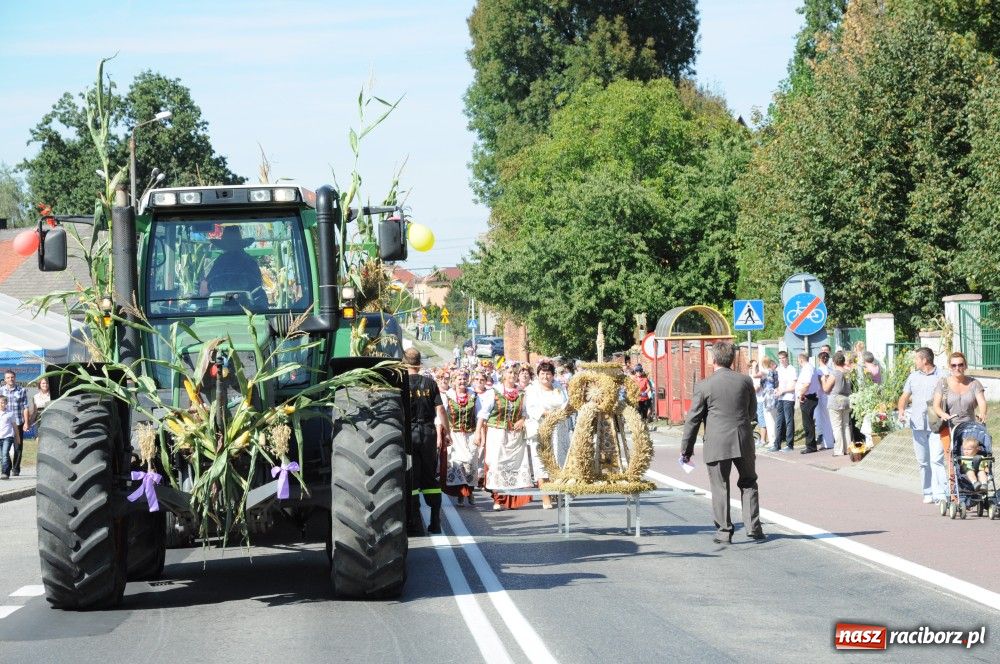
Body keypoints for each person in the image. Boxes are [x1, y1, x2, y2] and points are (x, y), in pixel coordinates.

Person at [680, 341, 765, 544]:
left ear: (713, 359)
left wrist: (686, 450)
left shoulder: (704, 385)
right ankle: (753, 527)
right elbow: (752, 412)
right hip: (743, 440)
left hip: (717, 443)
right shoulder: (745, 381)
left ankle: (724, 532)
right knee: (749, 482)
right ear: (732, 359)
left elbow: (693, 419)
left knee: (720, 486)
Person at [404, 348, 450, 534]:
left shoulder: (401, 384)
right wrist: (446, 432)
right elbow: (440, 411)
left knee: (412, 476)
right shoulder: (430, 383)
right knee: (430, 475)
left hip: (409, 433)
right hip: (429, 433)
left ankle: (414, 523)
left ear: (404, 363)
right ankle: (435, 521)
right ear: (419, 363)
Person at [896, 347, 947, 504]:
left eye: (917, 358)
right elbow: (905, 396)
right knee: (923, 461)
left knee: (937, 459)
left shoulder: (942, 376)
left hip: (936, 424)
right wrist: (901, 410)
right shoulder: (913, 377)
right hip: (917, 423)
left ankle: (941, 494)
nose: (915, 361)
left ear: (925, 360)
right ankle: (927, 492)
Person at [478, 366, 533, 511]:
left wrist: (522, 419)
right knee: (497, 464)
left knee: (514, 465)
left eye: (515, 373)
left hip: (515, 435)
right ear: (503, 375)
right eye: (510, 372)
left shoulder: (522, 393)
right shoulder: (494, 392)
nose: (513, 375)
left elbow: (526, 412)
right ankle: (498, 499)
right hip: (497, 433)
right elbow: (483, 414)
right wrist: (478, 433)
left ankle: (511, 499)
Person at [931, 351, 988, 482]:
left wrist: (982, 412)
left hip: (969, 427)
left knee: (973, 457)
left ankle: (976, 484)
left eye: (960, 365)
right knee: (952, 460)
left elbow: (982, 402)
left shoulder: (974, 383)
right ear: (949, 367)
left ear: (965, 365)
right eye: (954, 365)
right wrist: (942, 414)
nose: (957, 368)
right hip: (950, 427)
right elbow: (936, 405)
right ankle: (955, 494)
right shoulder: (943, 383)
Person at [524, 361, 569, 509]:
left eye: (548, 373)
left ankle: (556, 491)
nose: (545, 376)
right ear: (538, 375)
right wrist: (548, 413)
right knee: (541, 461)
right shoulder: (532, 389)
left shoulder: (558, 387)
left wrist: (562, 412)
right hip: (541, 427)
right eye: (542, 373)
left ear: (552, 375)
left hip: (559, 429)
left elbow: (565, 403)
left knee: (557, 459)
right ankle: (545, 497)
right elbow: (532, 408)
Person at [201, 225, 266, 306]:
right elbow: (258, 284)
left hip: (221, 308)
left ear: (224, 246)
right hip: (249, 308)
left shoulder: (220, 261)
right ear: (241, 246)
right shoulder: (250, 261)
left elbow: (205, 288)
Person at [442, 370, 481, 506]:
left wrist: (479, 433)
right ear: (453, 381)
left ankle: (470, 492)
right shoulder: (448, 396)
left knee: (470, 464)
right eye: (459, 379)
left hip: (470, 434)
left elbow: (479, 415)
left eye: (464, 379)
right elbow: (441, 417)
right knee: (458, 464)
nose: (462, 382)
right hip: (455, 435)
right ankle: (460, 494)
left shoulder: (474, 396)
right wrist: (445, 433)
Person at [822, 351, 853, 456]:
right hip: (846, 400)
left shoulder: (835, 373)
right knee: (846, 425)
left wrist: (823, 380)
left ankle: (839, 450)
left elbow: (826, 389)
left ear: (834, 362)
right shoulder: (848, 372)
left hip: (835, 400)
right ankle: (848, 448)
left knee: (837, 426)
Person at [0, 370, 29, 477]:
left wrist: (26, 422)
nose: (10, 379)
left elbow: (25, 407)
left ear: (15, 378)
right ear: (5, 379)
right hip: (5, 424)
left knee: (18, 447)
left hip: (18, 423)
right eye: (8, 377)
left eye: (12, 377)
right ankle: (7, 467)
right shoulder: (1, 390)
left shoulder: (21, 390)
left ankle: (16, 468)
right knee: (4, 448)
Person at [796, 353, 822, 454]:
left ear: (801, 360)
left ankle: (810, 446)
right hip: (809, 396)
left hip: (808, 397)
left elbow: (807, 384)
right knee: (808, 422)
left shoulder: (807, 369)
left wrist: (801, 394)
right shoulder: (810, 367)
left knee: (807, 423)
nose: (798, 363)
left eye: (798, 361)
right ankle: (811, 445)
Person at [772, 351, 798, 452]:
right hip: (780, 398)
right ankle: (776, 444)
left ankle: (789, 444)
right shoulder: (779, 369)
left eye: (783, 358)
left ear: (787, 358)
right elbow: (778, 384)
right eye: (780, 358)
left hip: (788, 398)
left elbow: (793, 386)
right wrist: (777, 389)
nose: (781, 360)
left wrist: (783, 391)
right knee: (778, 422)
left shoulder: (792, 369)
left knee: (789, 421)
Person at [814, 351, 836, 450]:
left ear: (819, 360)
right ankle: (829, 440)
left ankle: (828, 442)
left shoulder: (819, 371)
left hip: (822, 395)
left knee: (825, 420)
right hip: (830, 395)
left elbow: (820, 384)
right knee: (830, 419)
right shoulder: (831, 369)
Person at [759, 358, 779, 447]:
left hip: (769, 397)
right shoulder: (774, 372)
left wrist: (756, 366)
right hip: (771, 396)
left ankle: (773, 440)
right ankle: (773, 440)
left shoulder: (768, 372)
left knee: (770, 420)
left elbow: (755, 375)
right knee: (772, 419)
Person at [0, 396, 16, 480]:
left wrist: (18, 438)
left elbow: (14, 426)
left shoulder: (10, 413)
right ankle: (8, 466)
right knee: (1, 456)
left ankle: (4, 473)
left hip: (8, 437)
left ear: (6, 403)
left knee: (5, 454)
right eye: (0, 402)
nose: (2, 404)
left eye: (3, 402)